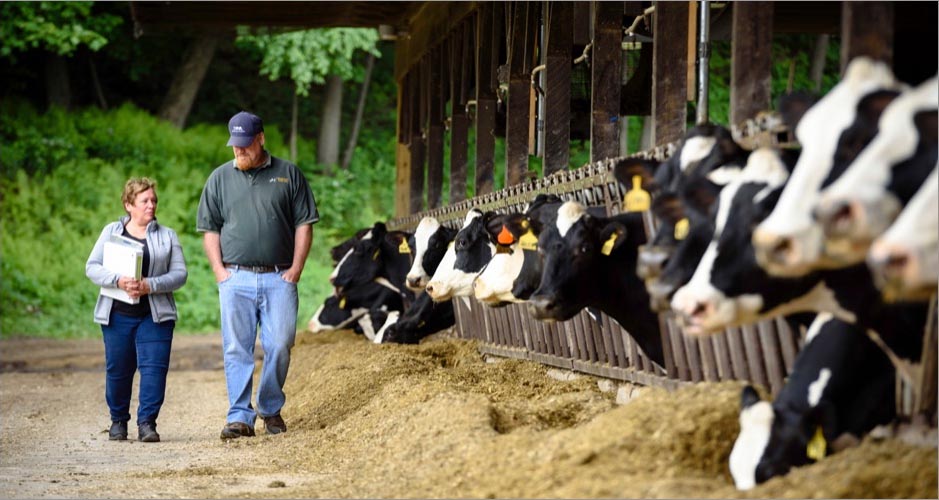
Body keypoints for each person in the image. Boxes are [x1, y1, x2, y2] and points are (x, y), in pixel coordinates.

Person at [197, 111, 319, 439]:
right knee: (237, 347)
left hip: (279, 278)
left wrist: (296, 269)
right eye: (235, 146)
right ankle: (239, 416)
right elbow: (209, 229)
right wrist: (220, 272)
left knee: (280, 344)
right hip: (235, 278)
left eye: (245, 145)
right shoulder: (219, 179)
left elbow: (304, 225)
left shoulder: (289, 175)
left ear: (261, 138)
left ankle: (269, 408)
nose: (239, 152)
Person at [85, 177, 188, 443]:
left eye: (153, 200)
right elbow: (92, 266)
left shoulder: (167, 236)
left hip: (155, 315)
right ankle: (118, 421)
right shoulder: (111, 232)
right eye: (144, 201)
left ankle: (147, 424)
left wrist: (149, 285)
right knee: (118, 370)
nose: (151, 205)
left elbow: (180, 274)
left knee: (154, 369)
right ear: (129, 204)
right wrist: (117, 280)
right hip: (116, 314)